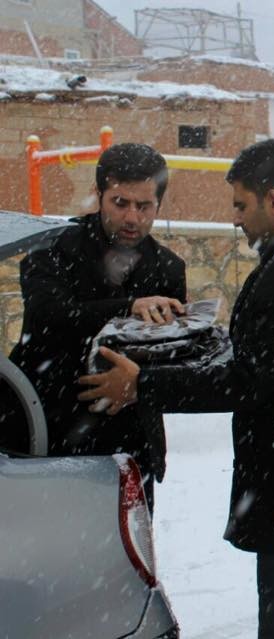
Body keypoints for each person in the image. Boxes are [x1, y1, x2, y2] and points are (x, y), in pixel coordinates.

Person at [78, 139, 274, 639]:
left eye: (240, 204)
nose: (235, 219)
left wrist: (144, 383)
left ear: (273, 201)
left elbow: (250, 379)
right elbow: (270, 362)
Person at [2, 142, 186, 510]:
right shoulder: (52, 249)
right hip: (47, 432)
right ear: (99, 195)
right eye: (120, 203)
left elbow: (169, 353)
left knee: (127, 561)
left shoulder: (169, 268)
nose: (132, 217)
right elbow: (49, 316)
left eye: (144, 206)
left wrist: (140, 382)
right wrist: (129, 308)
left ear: (159, 205)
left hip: (129, 443)